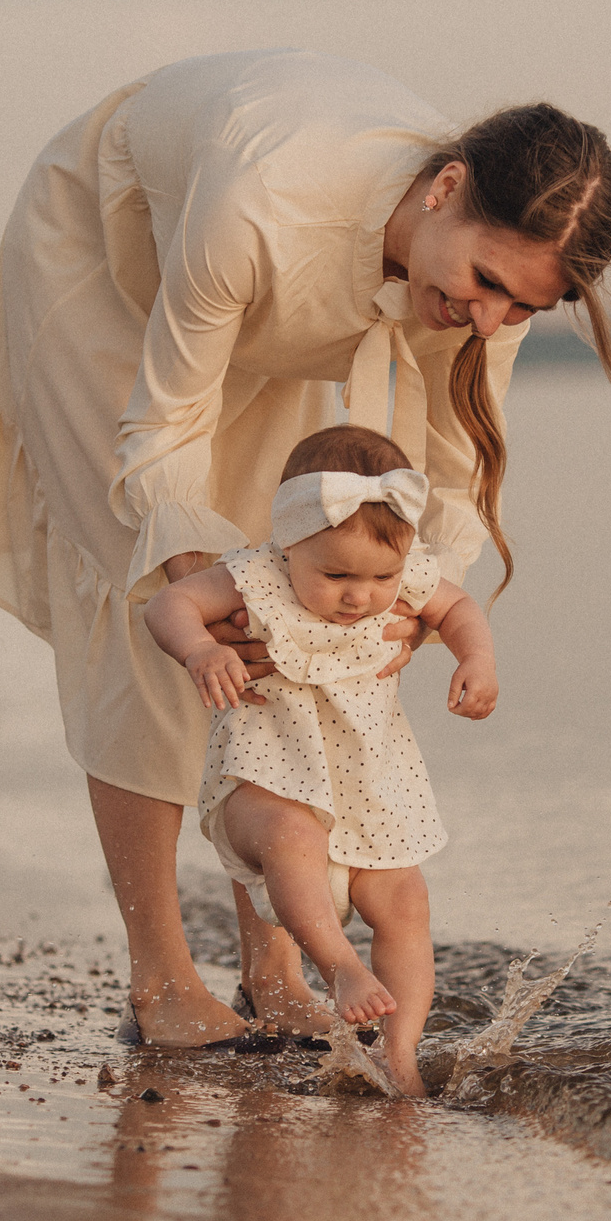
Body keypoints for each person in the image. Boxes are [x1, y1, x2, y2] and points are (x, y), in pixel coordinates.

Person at [0, 47, 611, 1046]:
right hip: (110, 263)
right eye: (485, 284)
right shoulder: (259, 209)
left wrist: (419, 606)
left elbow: (454, 470)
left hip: (276, 305)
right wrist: (194, 587)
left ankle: (276, 969)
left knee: (292, 590)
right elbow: (160, 434)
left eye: (523, 309)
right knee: (163, 603)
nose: (490, 319)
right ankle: (161, 981)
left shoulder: (493, 275)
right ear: (447, 187)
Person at [146, 424, 494, 1096]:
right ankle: (338, 967)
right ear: (290, 543)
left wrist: (477, 656)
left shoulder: (405, 579)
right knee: (293, 834)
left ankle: (400, 1052)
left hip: (369, 791)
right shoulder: (256, 577)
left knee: (407, 899)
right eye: (335, 574)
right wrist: (199, 649)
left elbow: (458, 606)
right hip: (265, 782)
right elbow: (171, 601)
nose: (360, 595)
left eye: (380, 576)